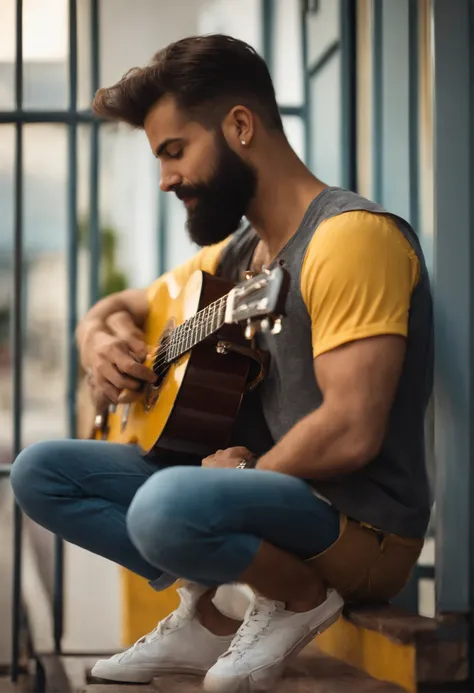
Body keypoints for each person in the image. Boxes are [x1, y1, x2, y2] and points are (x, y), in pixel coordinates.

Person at [10, 34, 433, 693]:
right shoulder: (239, 256)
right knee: (41, 472)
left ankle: (297, 595)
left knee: (163, 505)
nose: (165, 179)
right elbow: (116, 307)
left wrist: (239, 477)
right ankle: (203, 616)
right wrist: (97, 339)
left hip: (358, 526)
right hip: (262, 497)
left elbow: (353, 428)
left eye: (174, 152)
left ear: (239, 126)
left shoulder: (349, 239)